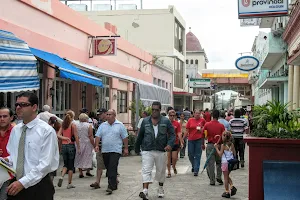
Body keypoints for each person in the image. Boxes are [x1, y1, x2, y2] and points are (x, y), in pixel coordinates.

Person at [5, 92, 59, 200]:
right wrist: (4, 161)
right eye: (17, 105)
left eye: (23, 105)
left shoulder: (46, 131)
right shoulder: (16, 130)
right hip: (16, 184)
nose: (18, 108)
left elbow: (45, 164)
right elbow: (13, 156)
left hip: (38, 186)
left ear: (34, 107)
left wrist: (23, 182)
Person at [135, 101, 175, 200]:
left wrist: (170, 144)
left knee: (161, 171)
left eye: (156, 110)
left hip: (161, 150)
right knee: (146, 169)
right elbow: (140, 136)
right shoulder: (145, 121)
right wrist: (136, 148)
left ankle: (160, 188)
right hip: (147, 149)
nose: (154, 112)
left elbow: (172, 134)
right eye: (153, 110)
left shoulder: (165, 121)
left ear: (160, 110)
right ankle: (145, 191)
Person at [95, 109, 128, 195]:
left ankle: (110, 186)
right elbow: (98, 136)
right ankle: (114, 184)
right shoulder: (102, 125)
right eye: (107, 114)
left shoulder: (120, 125)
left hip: (116, 150)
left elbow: (125, 137)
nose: (108, 116)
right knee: (109, 168)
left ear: (114, 116)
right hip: (105, 150)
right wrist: (97, 145)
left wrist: (126, 148)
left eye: (110, 114)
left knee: (112, 167)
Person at [57, 110, 80, 189]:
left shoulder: (63, 125)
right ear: (73, 117)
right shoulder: (73, 125)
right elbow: (76, 137)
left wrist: (64, 138)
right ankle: (69, 183)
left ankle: (62, 176)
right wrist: (79, 147)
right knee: (71, 166)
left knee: (65, 164)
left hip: (64, 146)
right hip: (71, 146)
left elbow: (58, 135)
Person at [202, 110, 225, 186]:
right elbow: (224, 137)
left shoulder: (207, 125)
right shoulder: (221, 126)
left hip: (210, 145)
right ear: (218, 116)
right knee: (219, 162)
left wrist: (203, 143)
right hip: (219, 145)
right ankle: (219, 176)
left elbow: (203, 135)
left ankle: (212, 180)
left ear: (212, 115)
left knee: (210, 163)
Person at [214, 131, 238, 198]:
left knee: (225, 178)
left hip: (225, 163)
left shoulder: (223, 145)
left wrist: (216, 148)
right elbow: (234, 153)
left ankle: (227, 191)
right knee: (227, 176)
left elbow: (220, 154)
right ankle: (232, 186)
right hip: (231, 162)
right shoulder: (232, 144)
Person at [184, 109, 206, 176]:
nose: (197, 114)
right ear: (193, 114)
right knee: (190, 155)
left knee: (198, 155)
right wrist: (183, 138)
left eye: (199, 113)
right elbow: (187, 130)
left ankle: (196, 170)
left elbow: (205, 130)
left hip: (199, 139)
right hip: (191, 139)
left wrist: (202, 130)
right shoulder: (190, 120)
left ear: (200, 114)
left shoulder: (202, 120)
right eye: (196, 113)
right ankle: (194, 165)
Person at [90, 108, 107, 189]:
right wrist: (96, 145)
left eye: (100, 114)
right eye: (98, 114)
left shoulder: (110, 122)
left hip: (109, 147)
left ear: (105, 113)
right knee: (99, 164)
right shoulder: (98, 123)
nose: (99, 116)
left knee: (110, 165)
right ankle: (97, 182)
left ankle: (114, 179)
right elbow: (97, 135)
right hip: (100, 146)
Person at [74, 113, 95, 178]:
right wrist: (93, 144)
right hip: (87, 142)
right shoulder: (89, 125)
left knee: (79, 156)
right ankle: (88, 171)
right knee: (88, 156)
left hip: (78, 142)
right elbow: (90, 135)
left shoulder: (76, 125)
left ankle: (80, 172)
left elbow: (76, 135)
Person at [0, 108, 14, 200]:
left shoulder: (16, 131)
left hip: (8, 173)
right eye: (0, 116)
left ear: (11, 117)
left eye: (5, 116)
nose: (2, 119)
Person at [166, 109, 182, 178]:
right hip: (168, 143)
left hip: (175, 142)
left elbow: (179, 132)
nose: (172, 117)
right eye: (170, 115)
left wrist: (181, 141)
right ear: (168, 116)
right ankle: (169, 172)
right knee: (168, 158)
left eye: (173, 115)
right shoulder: (166, 123)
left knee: (174, 158)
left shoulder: (177, 123)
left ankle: (174, 166)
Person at [48, 116, 62, 183]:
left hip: (47, 150)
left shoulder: (47, 128)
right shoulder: (57, 129)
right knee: (53, 167)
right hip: (55, 150)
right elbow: (60, 141)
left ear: (49, 121)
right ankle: (51, 182)